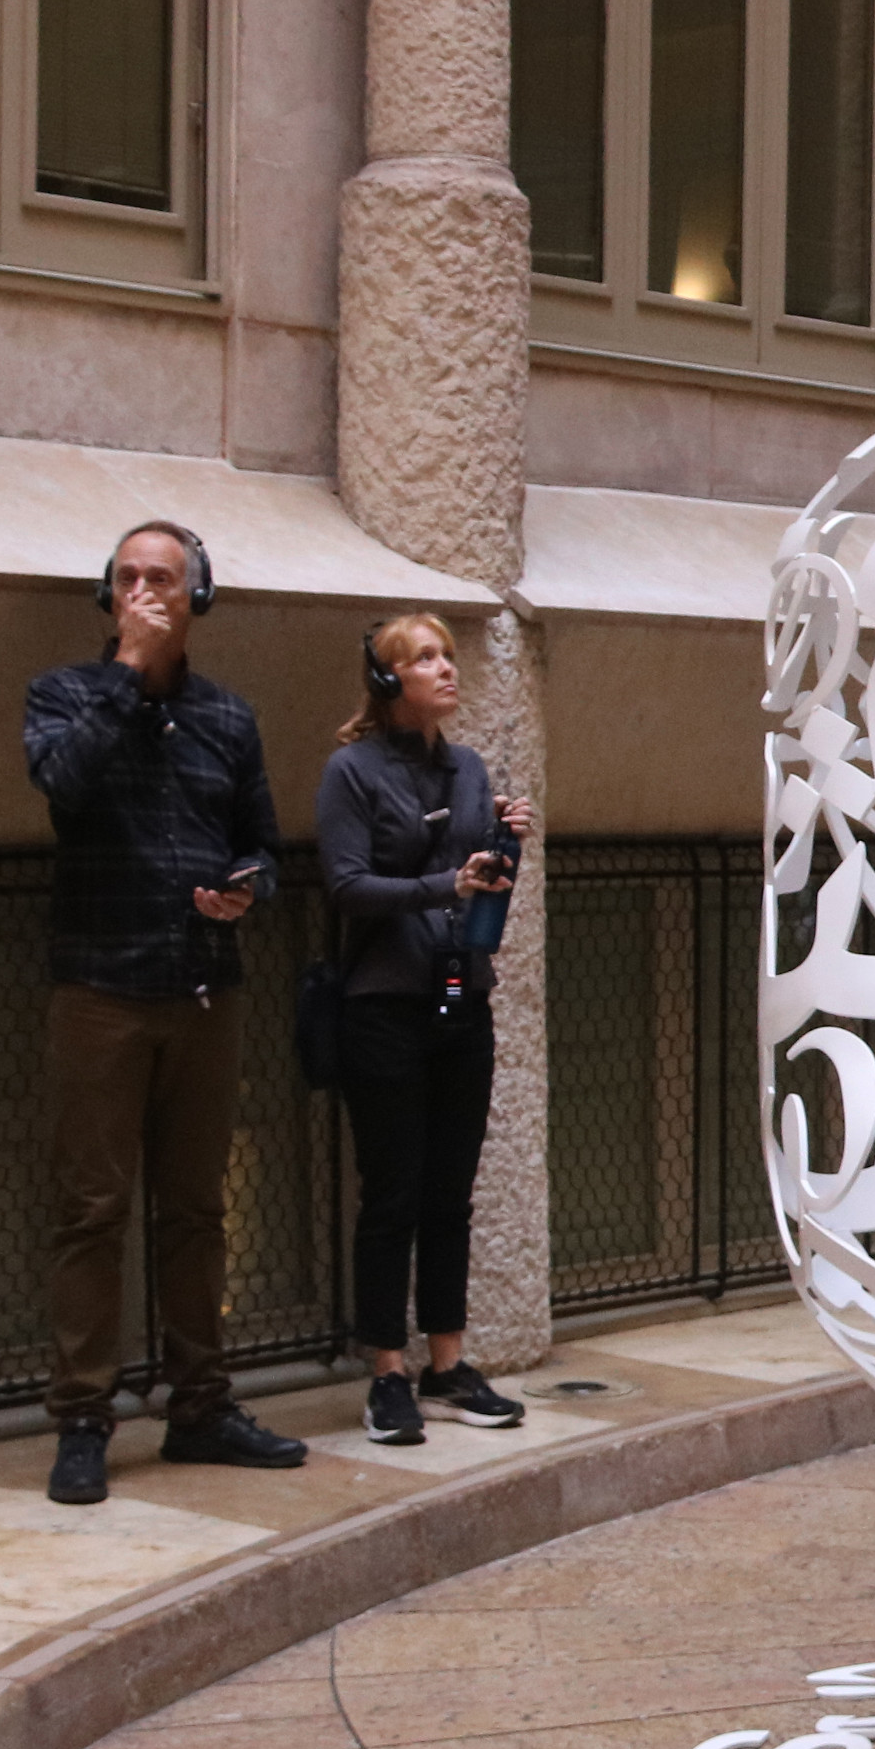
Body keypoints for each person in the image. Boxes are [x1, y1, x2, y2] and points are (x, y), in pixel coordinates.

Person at [24, 522, 311, 1505]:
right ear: (108, 598)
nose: (145, 592)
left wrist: (248, 888)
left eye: (164, 579)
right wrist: (127, 674)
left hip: (203, 992)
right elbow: (65, 788)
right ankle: (84, 1418)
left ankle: (200, 1406)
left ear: (199, 598)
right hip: (100, 991)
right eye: (129, 579)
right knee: (90, 1212)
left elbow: (267, 847)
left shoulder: (229, 719)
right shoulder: (63, 695)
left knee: (197, 1211)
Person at [318, 615, 539, 1445]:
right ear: (387, 682)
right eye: (424, 659)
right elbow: (345, 886)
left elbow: (482, 889)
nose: (446, 669)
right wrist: (445, 878)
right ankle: (386, 1373)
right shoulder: (353, 772)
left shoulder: (471, 769)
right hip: (383, 1004)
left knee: (451, 1193)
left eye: (446, 655)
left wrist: (499, 845)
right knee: (393, 1196)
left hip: (459, 994)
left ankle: (449, 1364)